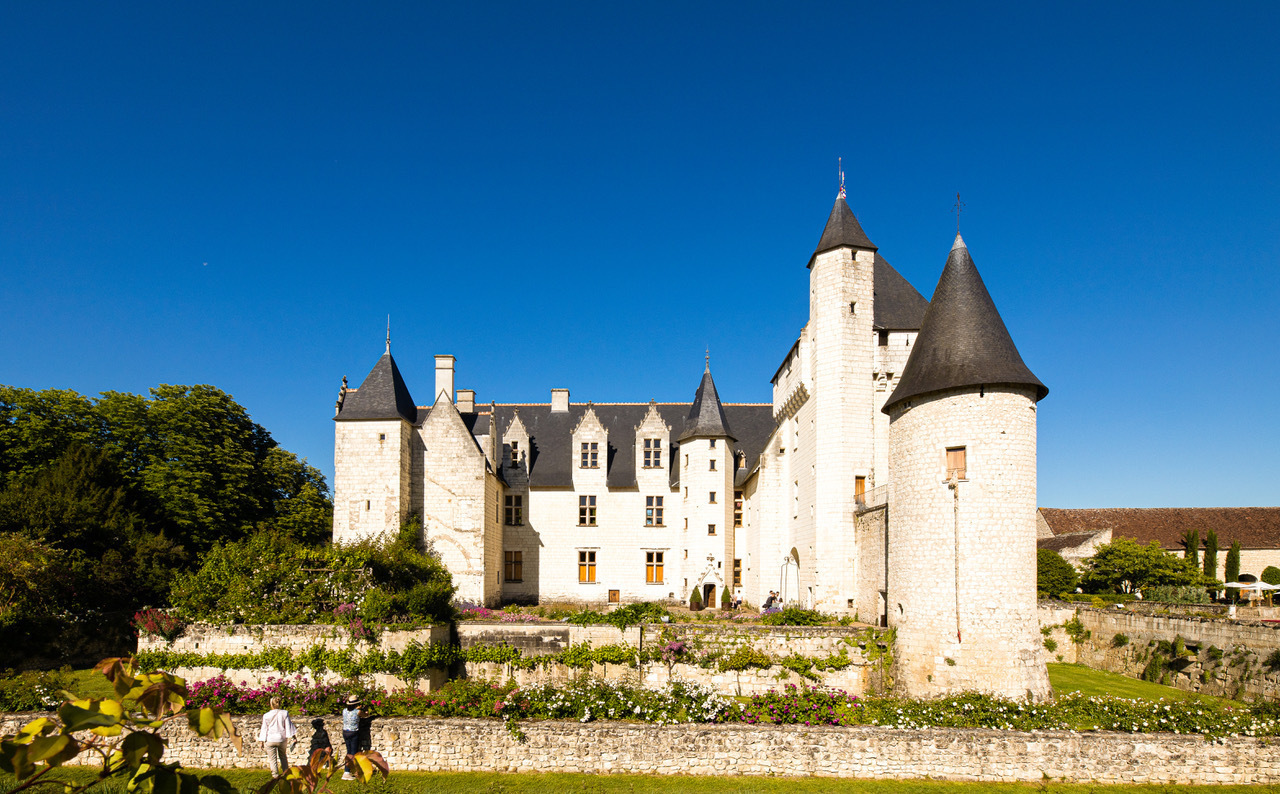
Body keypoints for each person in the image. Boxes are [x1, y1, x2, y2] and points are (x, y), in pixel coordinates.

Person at [257, 697, 297, 776]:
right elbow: (288, 726)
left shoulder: (266, 715)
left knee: (272, 759)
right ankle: (286, 774)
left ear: (271, 704)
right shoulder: (284, 713)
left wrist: (261, 741)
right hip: (281, 739)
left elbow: (264, 728)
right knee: (283, 757)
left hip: (270, 739)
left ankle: (275, 776)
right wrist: (293, 737)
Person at [340, 695, 361, 780]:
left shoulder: (344, 711)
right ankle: (348, 771)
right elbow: (365, 715)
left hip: (345, 732)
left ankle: (347, 771)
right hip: (353, 732)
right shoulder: (357, 712)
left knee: (348, 751)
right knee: (353, 753)